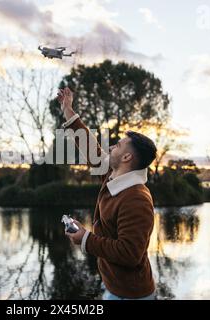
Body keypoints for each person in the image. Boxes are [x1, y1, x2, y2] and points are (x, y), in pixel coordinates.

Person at [58, 87, 157, 300]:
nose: (112, 147)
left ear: (127, 158)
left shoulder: (136, 199)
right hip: (114, 288)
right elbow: (92, 150)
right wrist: (69, 112)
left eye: (118, 145)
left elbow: (130, 254)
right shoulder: (115, 176)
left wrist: (86, 238)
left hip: (131, 296)